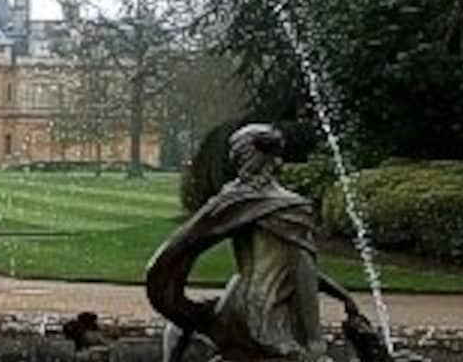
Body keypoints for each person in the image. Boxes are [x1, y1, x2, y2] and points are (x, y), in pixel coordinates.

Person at [147, 124, 385, 362]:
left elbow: (183, 244)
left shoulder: (231, 199)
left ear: (251, 156)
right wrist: (315, 340)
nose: (234, 160)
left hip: (232, 312)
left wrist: (341, 294)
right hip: (267, 322)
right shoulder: (292, 208)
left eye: (238, 155)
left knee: (178, 327)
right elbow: (302, 272)